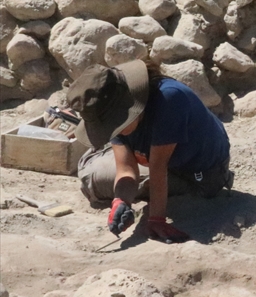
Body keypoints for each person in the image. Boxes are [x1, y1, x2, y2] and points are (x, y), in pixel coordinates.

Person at [66, 60, 232, 242]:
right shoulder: (113, 109)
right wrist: (121, 201)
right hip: (163, 163)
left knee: (92, 175)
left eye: (114, 126)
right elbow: (126, 169)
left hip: (199, 176)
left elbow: (158, 168)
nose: (112, 131)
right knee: (93, 174)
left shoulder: (169, 99)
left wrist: (156, 220)